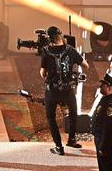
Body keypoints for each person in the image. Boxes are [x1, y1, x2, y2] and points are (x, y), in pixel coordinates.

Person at [40, 26, 89, 155]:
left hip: (52, 91)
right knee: (73, 114)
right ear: (61, 36)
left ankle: (58, 146)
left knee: (51, 117)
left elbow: (42, 73)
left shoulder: (45, 51)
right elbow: (85, 65)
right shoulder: (71, 50)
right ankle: (71, 139)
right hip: (67, 90)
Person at [92, 74, 112, 171]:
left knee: (106, 166)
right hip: (101, 139)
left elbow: (108, 126)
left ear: (109, 88)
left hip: (105, 141)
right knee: (103, 165)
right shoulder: (106, 99)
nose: (100, 87)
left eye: (103, 85)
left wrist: (102, 145)